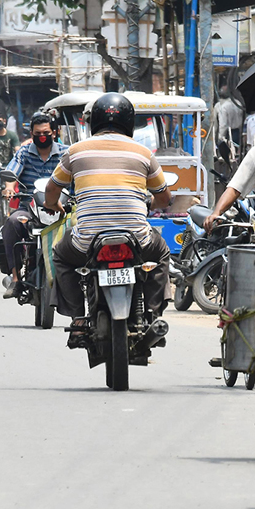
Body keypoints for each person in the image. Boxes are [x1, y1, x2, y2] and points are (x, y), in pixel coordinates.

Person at [44, 93, 173, 343]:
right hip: (137, 239)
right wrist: (150, 205)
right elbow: (165, 199)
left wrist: (53, 206)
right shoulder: (144, 153)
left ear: (95, 122)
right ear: (129, 122)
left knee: (60, 254)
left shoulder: (75, 151)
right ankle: (153, 313)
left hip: (87, 241)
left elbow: (51, 191)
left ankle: (78, 319)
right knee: (161, 254)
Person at [0, 112, 66, 298]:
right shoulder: (24, 152)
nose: (42, 136)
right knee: (12, 223)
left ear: (54, 132)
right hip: (28, 209)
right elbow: (11, 172)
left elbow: (75, 175)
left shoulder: (65, 153)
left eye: (46, 132)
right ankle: (14, 278)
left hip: (60, 209)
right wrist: (9, 188)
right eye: (37, 133)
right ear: (31, 134)